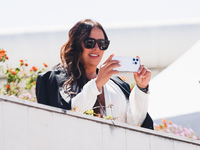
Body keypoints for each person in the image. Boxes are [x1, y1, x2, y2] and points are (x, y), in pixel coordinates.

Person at [36, 19, 153, 129]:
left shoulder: (117, 85)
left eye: (102, 43)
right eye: (89, 42)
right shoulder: (55, 80)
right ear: (77, 44)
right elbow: (69, 118)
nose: (96, 48)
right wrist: (97, 84)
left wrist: (142, 88)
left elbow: (136, 123)